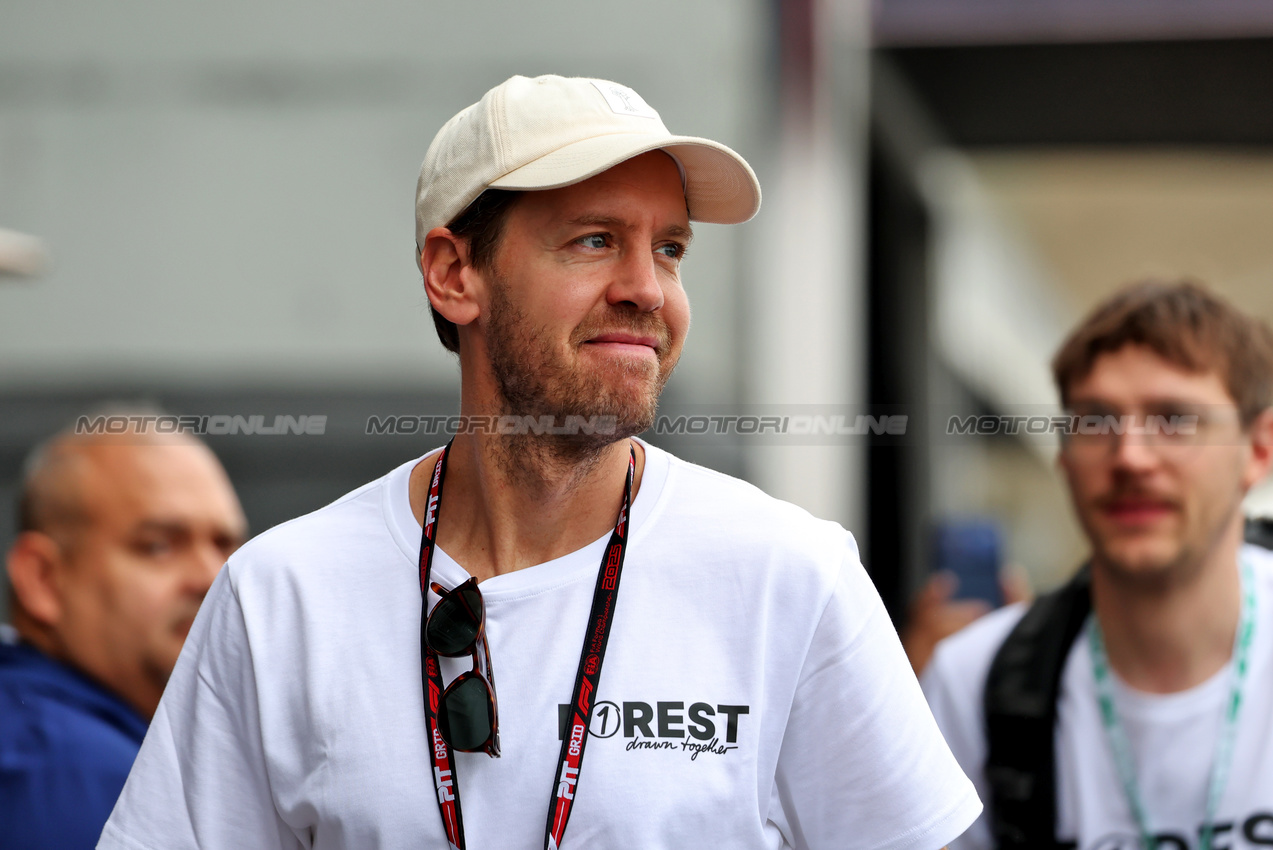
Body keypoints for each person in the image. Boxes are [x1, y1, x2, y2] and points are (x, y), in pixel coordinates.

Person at [99, 74, 980, 850]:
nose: (647, 289)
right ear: (453, 273)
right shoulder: (280, 596)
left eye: (668, 247)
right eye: (594, 240)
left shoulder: (790, 577)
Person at [921, 280, 1273, 850]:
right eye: (1096, 422)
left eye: (1175, 419)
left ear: (1258, 449)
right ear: (1063, 453)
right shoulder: (972, 680)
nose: (1130, 456)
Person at [1, 419, 247, 849]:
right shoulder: (70, 771)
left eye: (225, 545)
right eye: (158, 545)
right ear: (42, 578)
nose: (213, 576)